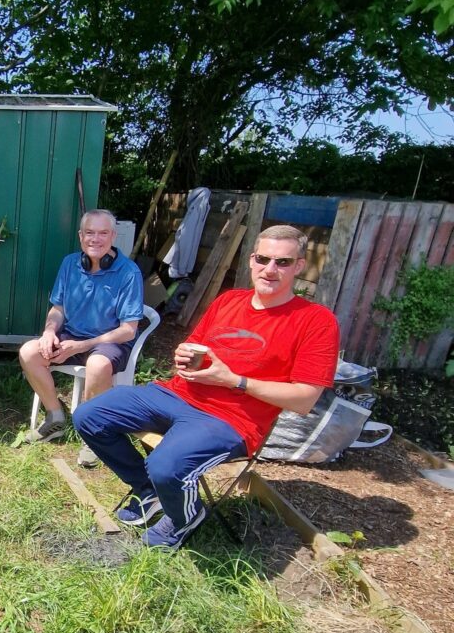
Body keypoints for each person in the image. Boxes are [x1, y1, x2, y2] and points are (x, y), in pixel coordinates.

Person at [73, 225, 339, 549]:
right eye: (264, 259)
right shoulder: (230, 300)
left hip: (230, 419)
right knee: (89, 415)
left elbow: (304, 400)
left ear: (299, 266)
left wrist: (235, 381)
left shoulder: (316, 321)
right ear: (252, 260)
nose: (270, 270)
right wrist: (184, 356)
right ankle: (150, 491)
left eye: (282, 262)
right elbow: (195, 347)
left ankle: (185, 516)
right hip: (177, 394)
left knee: (166, 465)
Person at [19, 210, 144, 462]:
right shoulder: (70, 264)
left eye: (102, 233)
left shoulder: (129, 273)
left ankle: (93, 434)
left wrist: (82, 346)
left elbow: (128, 330)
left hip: (109, 342)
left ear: (113, 236)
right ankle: (55, 417)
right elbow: (58, 309)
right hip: (72, 337)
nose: (95, 239)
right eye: (89, 233)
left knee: (97, 364)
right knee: (29, 352)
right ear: (80, 236)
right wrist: (49, 331)